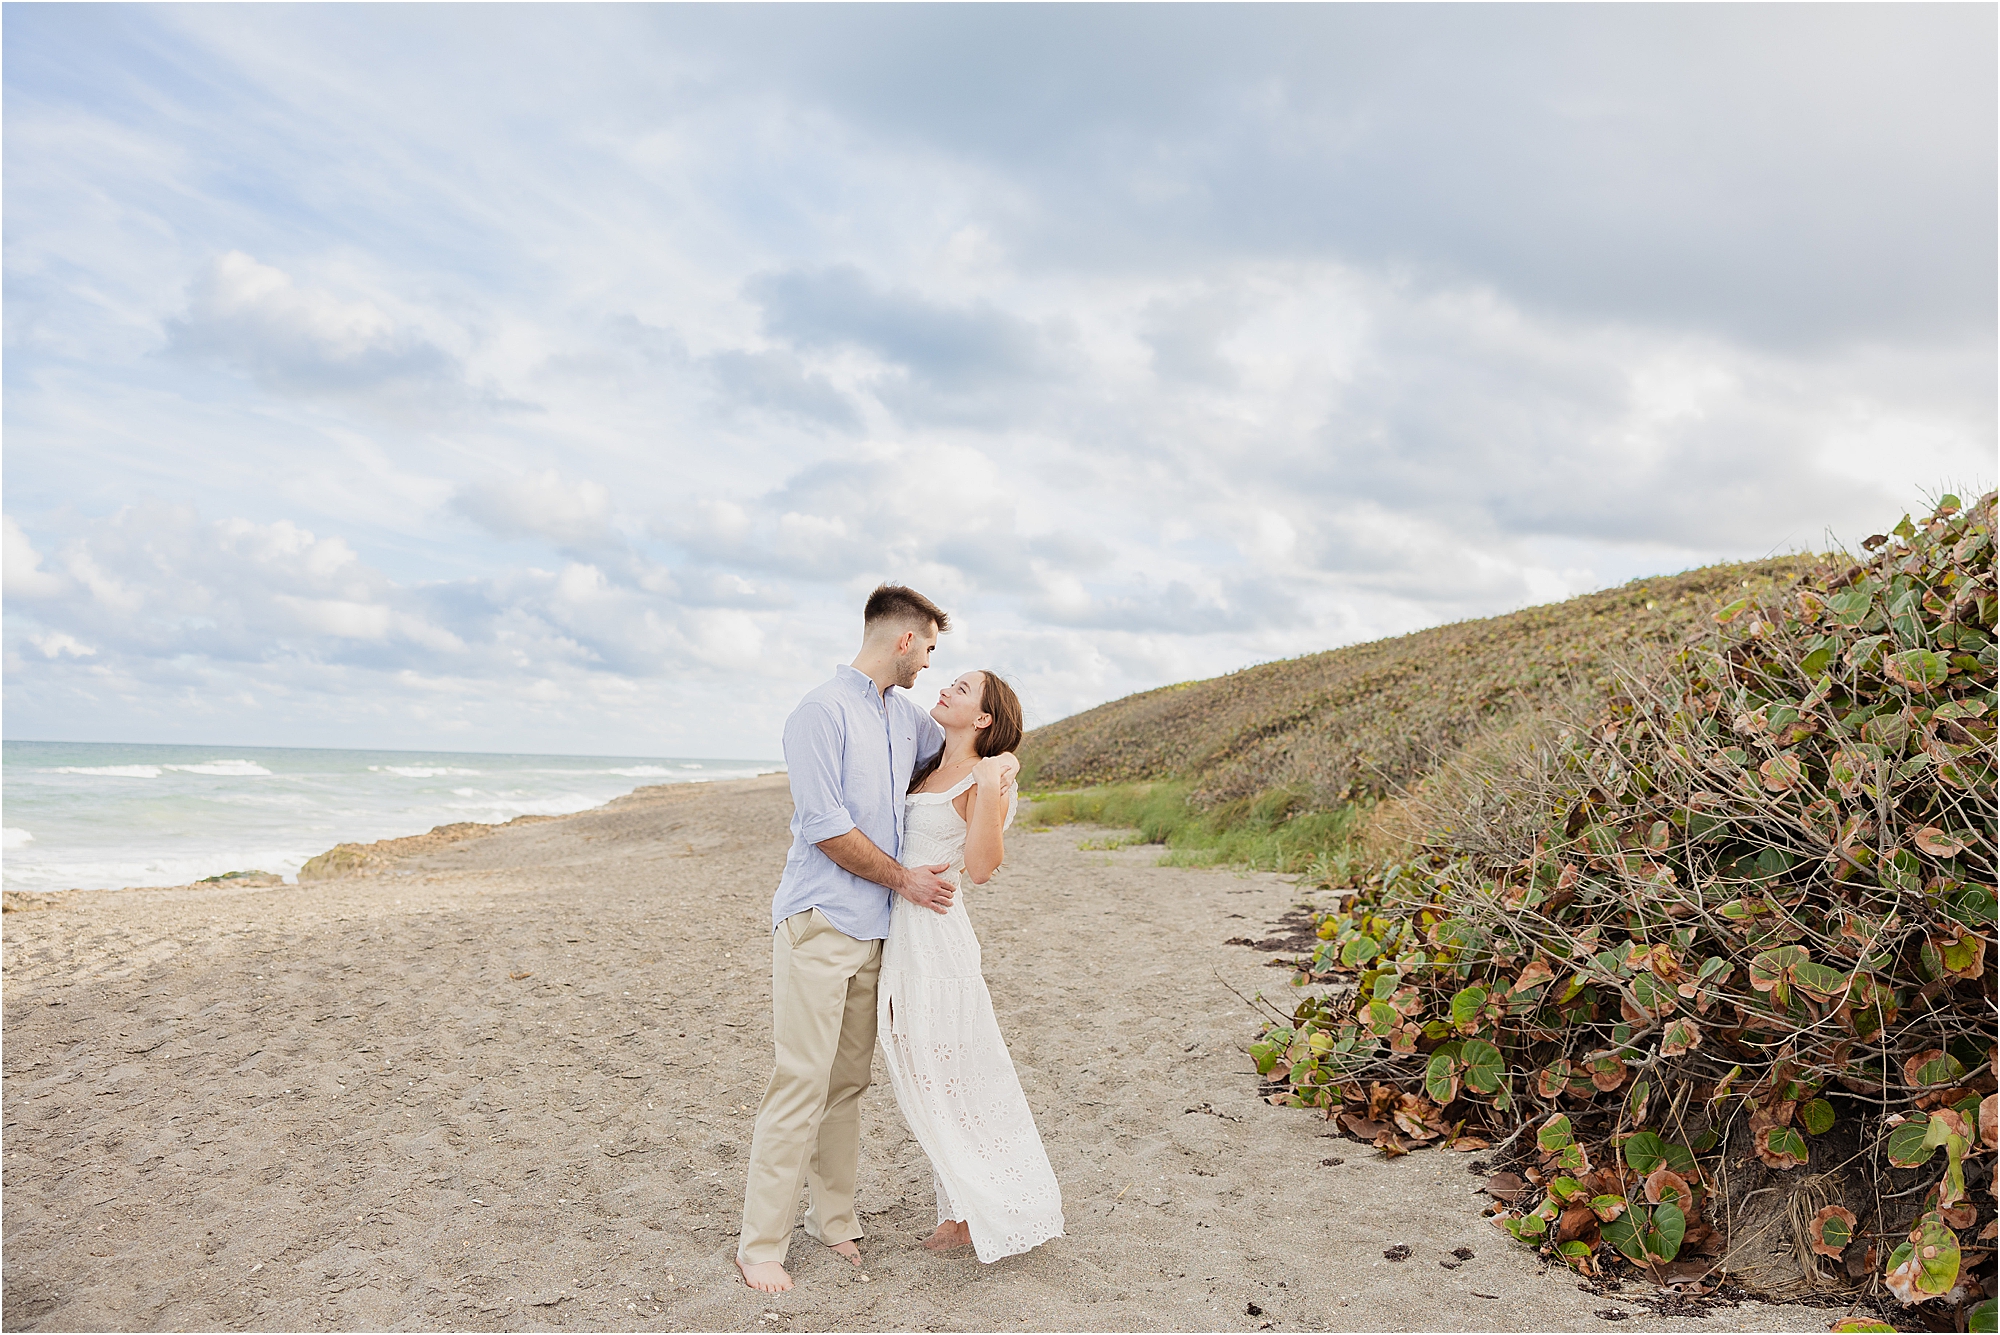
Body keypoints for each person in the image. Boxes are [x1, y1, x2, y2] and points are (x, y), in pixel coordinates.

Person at [736, 584, 1008, 1294]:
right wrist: (907, 880)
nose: (931, 666)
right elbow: (825, 827)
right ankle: (760, 1243)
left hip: (880, 936)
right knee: (800, 1079)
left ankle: (834, 1219)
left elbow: (963, 761)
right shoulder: (818, 714)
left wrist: (1002, 768)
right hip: (820, 920)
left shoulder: (907, 721)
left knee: (847, 1084)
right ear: (904, 641)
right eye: (930, 649)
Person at [877, 669, 1063, 1262]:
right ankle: (960, 1202)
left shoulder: (985, 777)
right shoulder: (929, 765)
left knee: (949, 1070)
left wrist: (991, 781)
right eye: (950, 681)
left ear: (983, 718)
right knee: (925, 1069)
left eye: (963, 688)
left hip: (936, 939)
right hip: (902, 931)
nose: (947, 689)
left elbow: (982, 867)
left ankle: (969, 1211)